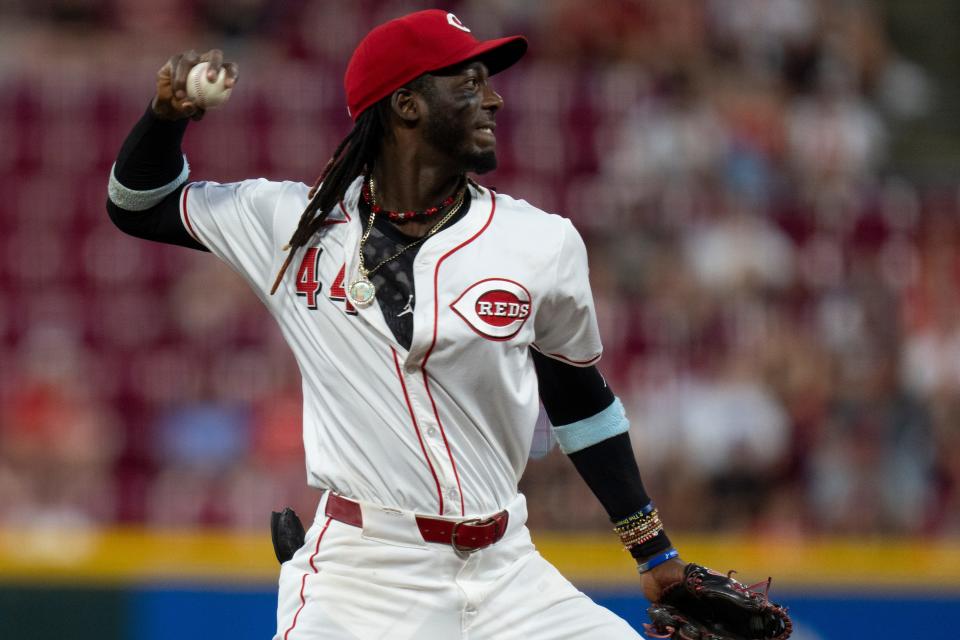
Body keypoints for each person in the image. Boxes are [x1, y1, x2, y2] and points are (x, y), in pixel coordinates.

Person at [108, 9, 691, 640]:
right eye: (468, 83)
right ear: (406, 104)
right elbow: (138, 205)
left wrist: (653, 552)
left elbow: (579, 397)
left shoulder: (540, 243)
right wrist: (166, 117)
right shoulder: (291, 224)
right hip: (362, 577)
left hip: (508, 572)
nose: (493, 99)